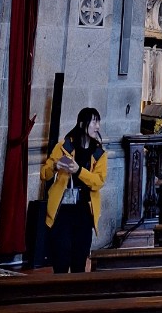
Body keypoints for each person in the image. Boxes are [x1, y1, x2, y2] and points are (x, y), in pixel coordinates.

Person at [41, 107, 107, 273]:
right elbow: (44, 174)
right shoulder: (64, 146)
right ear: (82, 124)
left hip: (84, 211)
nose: (97, 126)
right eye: (94, 122)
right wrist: (55, 166)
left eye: (98, 122)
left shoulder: (99, 153)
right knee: (61, 259)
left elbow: (98, 182)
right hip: (62, 210)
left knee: (79, 260)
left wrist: (78, 171)